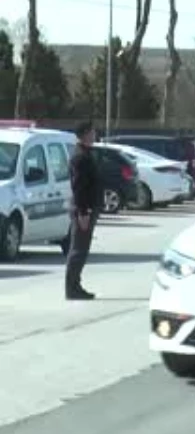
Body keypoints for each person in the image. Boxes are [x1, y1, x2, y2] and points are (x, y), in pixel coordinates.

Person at [66, 121, 101, 300]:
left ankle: (75, 285)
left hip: (87, 207)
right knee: (78, 249)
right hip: (83, 209)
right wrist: (83, 212)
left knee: (81, 248)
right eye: (92, 132)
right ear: (85, 134)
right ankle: (72, 288)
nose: (95, 135)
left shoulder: (86, 154)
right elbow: (79, 187)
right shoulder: (80, 157)